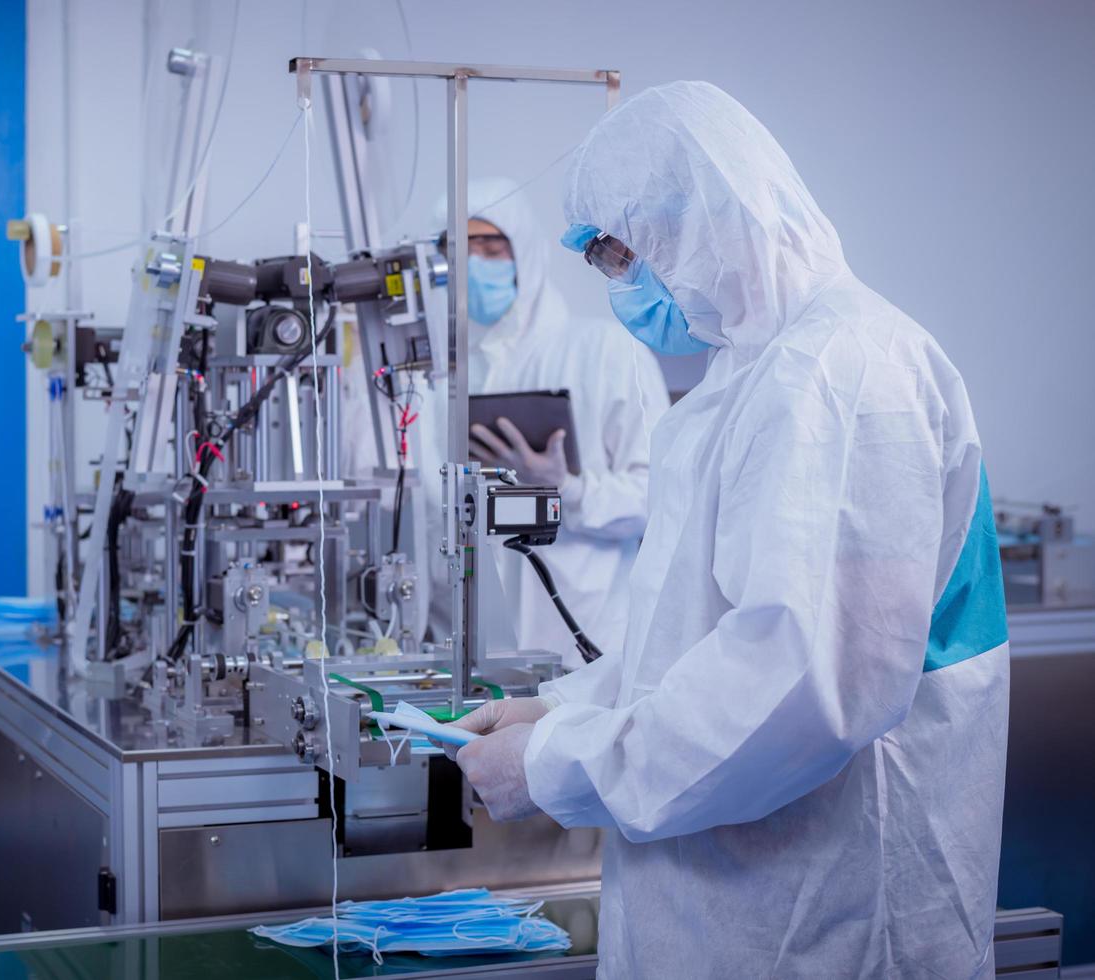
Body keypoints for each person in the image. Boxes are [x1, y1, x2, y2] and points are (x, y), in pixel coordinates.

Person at [450, 82, 1009, 978]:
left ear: (700, 220)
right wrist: (559, 707)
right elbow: (697, 638)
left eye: (621, 252)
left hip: (824, 914)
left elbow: (793, 685)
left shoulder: (837, 372)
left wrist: (553, 763)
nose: (618, 284)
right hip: (738, 903)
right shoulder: (742, 379)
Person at [409, 177, 668, 665]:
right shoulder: (444, 375)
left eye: (489, 244)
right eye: (457, 249)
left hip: (587, 639)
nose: (472, 262)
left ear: (523, 249)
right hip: (474, 648)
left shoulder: (606, 351)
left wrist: (565, 487)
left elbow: (662, 495)